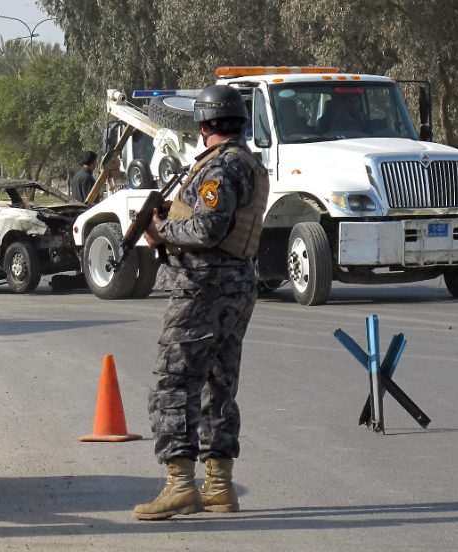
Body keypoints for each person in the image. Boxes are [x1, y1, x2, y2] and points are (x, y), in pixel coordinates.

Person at [134, 84, 267, 520]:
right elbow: (220, 220)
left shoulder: (219, 169)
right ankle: (219, 485)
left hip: (203, 285)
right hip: (238, 284)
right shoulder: (247, 162)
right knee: (219, 382)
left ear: (204, 123)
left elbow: (207, 232)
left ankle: (179, 485)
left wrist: (161, 234)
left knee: (174, 382)